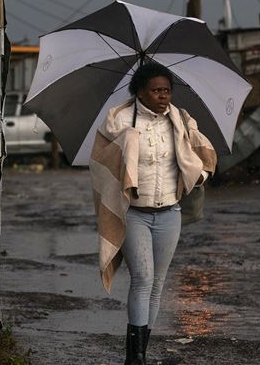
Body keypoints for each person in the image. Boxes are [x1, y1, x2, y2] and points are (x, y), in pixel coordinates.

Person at [88, 62, 217, 365]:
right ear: (140, 91)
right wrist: (127, 144)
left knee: (158, 283)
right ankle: (134, 358)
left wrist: (200, 177)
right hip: (134, 213)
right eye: (156, 90)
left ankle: (141, 351)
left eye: (167, 91)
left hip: (170, 213)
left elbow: (203, 154)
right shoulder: (119, 120)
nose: (163, 96)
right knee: (143, 279)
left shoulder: (181, 120)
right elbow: (100, 164)